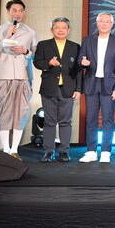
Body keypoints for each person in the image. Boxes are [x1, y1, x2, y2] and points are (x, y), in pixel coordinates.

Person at [0, 0, 38, 160]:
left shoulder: (30, 32)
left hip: (23, 77)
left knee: (21, 113)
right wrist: (6, 38)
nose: (18, 13)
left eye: (21, 10)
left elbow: (37, 57)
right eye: (14, 10)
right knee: (3, 113)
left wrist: (25, 51)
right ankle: (6, 150)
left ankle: (14, 150)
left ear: (24, 12)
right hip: (3, 77)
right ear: (8, 12)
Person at [77, 13, 115, 163]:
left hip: (110, 85)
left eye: (107, 22)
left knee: (108, 119)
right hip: (91, 83)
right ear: (96, 23)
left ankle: (105, 151)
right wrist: (82, 63)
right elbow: (80, 59)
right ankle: (91, 151)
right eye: (101, 21)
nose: (104, 24)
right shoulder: (88, 40)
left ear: (112, 24)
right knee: (90, 119)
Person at [33, 18, 81, 163]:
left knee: (66, 122)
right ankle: (48, 152)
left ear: (68, 30)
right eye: (57, 27)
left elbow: (79, 70)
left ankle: (64, 152)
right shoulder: (43, 45)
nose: (60, 30)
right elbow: (37, 62)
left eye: (64, 27)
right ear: (52, 30)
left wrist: (78, 89)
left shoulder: (75, 47)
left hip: (68, 89)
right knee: (49, 122)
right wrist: (49, 63)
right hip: (49, 88)